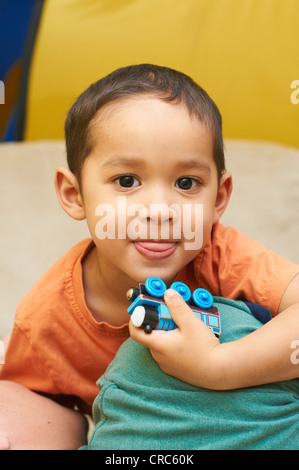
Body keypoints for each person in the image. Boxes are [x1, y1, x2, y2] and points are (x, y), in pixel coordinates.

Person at [0, 64, 298, 449]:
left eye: (186, 183)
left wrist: (219, 366)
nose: (159, 210)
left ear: (219, 199)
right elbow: (30, 402)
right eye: (126, 181)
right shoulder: (45, 320)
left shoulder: (220, 254)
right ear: (74, 195)